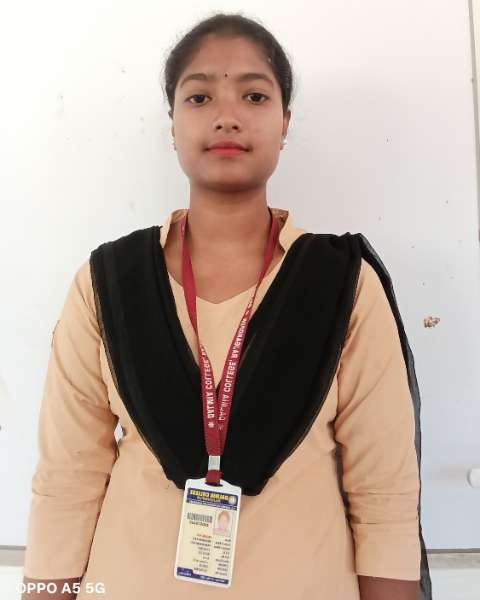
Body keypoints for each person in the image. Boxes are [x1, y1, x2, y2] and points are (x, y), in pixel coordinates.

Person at [22, 11, 432, 600]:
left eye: (254, 95)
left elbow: (384, 488)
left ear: (285, 122)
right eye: (199, 96)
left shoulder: (341, 282)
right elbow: (67, 478)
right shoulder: (108, 281)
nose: (226, 115)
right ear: (172, 124)